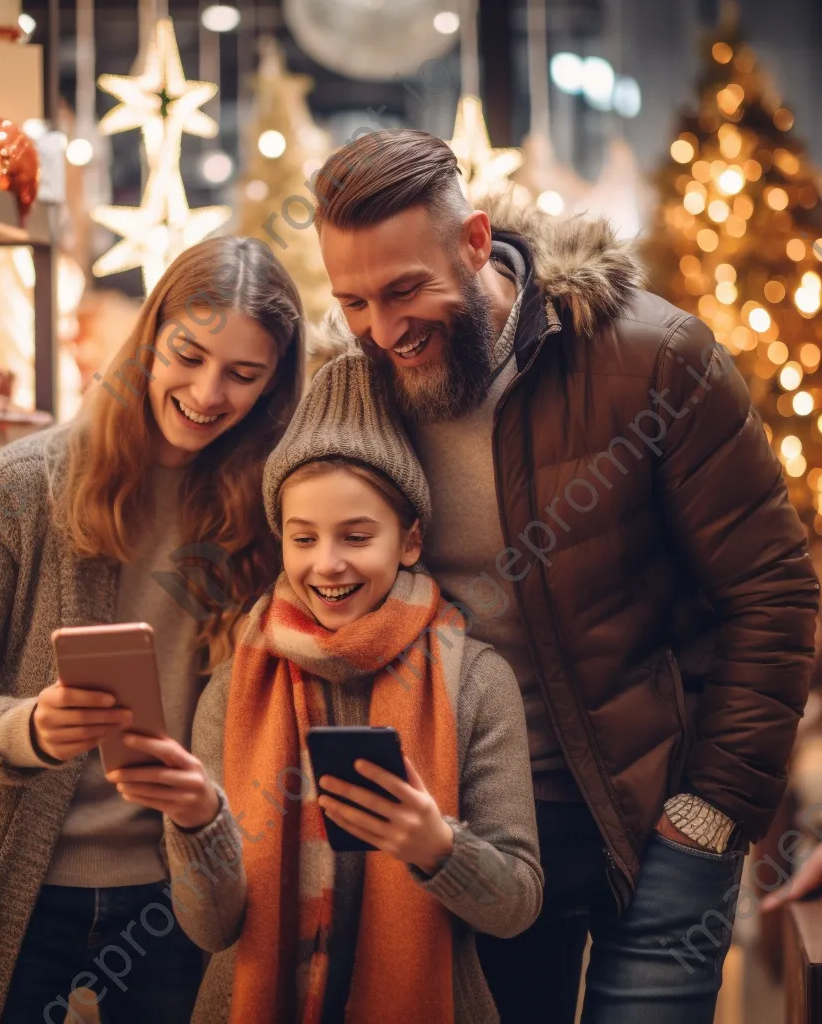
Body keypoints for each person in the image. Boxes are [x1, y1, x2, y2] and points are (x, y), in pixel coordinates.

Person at [308, 128, 820, 1023]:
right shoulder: (358, 393)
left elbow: (772, 593)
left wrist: (711, 812)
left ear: (475, 243)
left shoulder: (653, 358)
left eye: (404, 290)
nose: (383, 331)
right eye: (352, 302)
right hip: (480, 837)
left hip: (657, 819)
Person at [0, 236, 305, 1024]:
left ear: (274, 386)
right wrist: (29, 728)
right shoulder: (25, 484)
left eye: (243, 374)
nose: (206, 391)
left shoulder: (274, 512)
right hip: (19, 890)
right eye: (188, 355)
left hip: (180, 893)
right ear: (151, 338)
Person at [117, 350, 542, 1023]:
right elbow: (210, 929)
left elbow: (517, 906)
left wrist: (436, 845)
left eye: (356, 535)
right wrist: (198, 821)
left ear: (409, 540)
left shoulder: (475, 682)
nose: (327, 563)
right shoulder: (232, 690)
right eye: (303, 537)